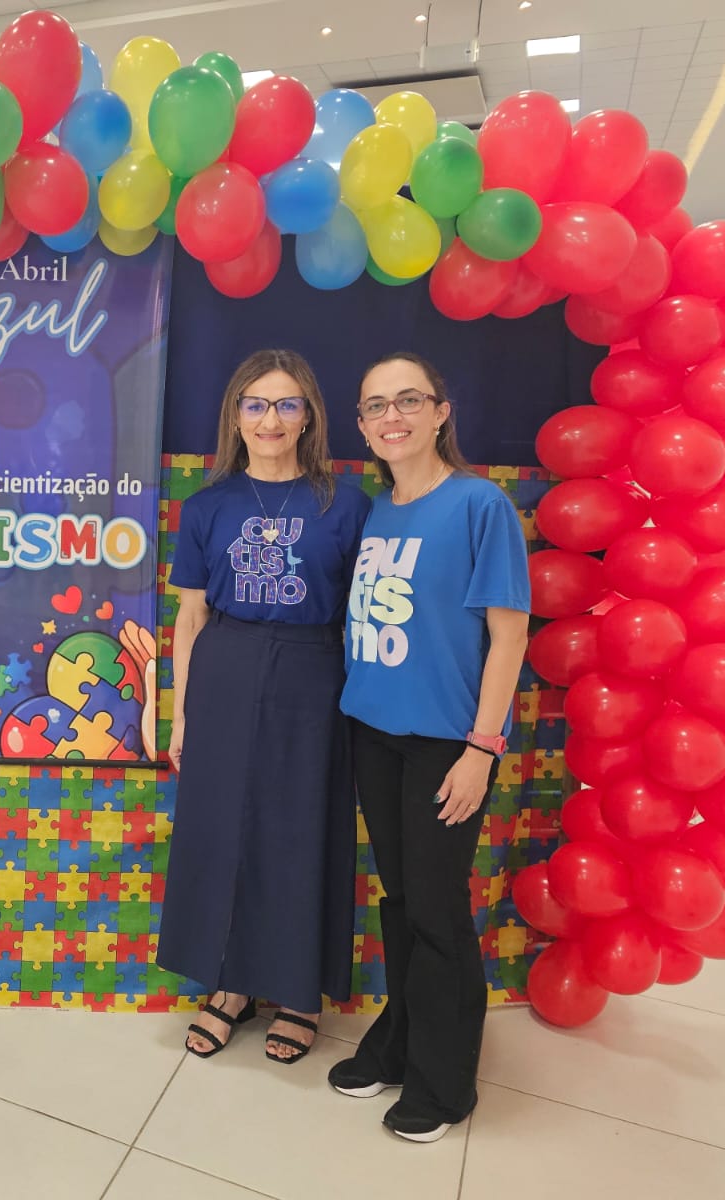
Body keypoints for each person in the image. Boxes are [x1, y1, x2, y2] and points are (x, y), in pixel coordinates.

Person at [330, 352, 530, 1142]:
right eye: (376, 405)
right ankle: (400, 1038)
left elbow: (509, 636)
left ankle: (445, 1086)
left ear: (441, 411)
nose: (393, 416)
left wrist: (481, 749)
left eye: (409, 399)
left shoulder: (480, 504)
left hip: (447, 744)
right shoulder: (378, 511)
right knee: (403, 899)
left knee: (439, 910)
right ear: (361, 425)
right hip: (373, 733)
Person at [156, 349, 372, 1066]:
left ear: (308, 415)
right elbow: (190, 618)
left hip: (313, 674)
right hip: (225, 670)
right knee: (223, 831)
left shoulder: (346, 504)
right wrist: (182, 714)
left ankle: (299, 993)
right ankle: (230, 983)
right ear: (235, 416)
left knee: (298, 832)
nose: (270, 419)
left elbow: (362, 613)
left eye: (286, 404)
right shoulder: (206, 506)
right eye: (255, 404)